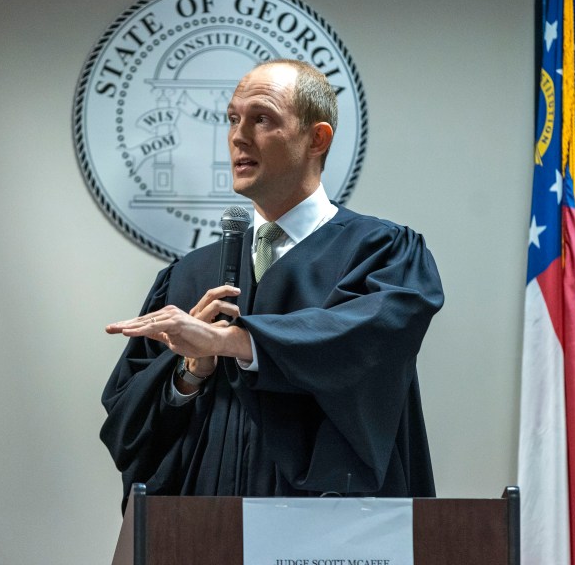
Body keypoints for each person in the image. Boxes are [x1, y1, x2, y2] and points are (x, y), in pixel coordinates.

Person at [101, 59, 444, 510]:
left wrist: (235, 341)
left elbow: (366, 343)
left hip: (330, 530)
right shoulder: (189, 276)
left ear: (317, 138)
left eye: (262, 119)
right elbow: (128, 433)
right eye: (233, 119)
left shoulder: (381, 253)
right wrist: (190, 371)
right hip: (202, 534)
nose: (238, 137)